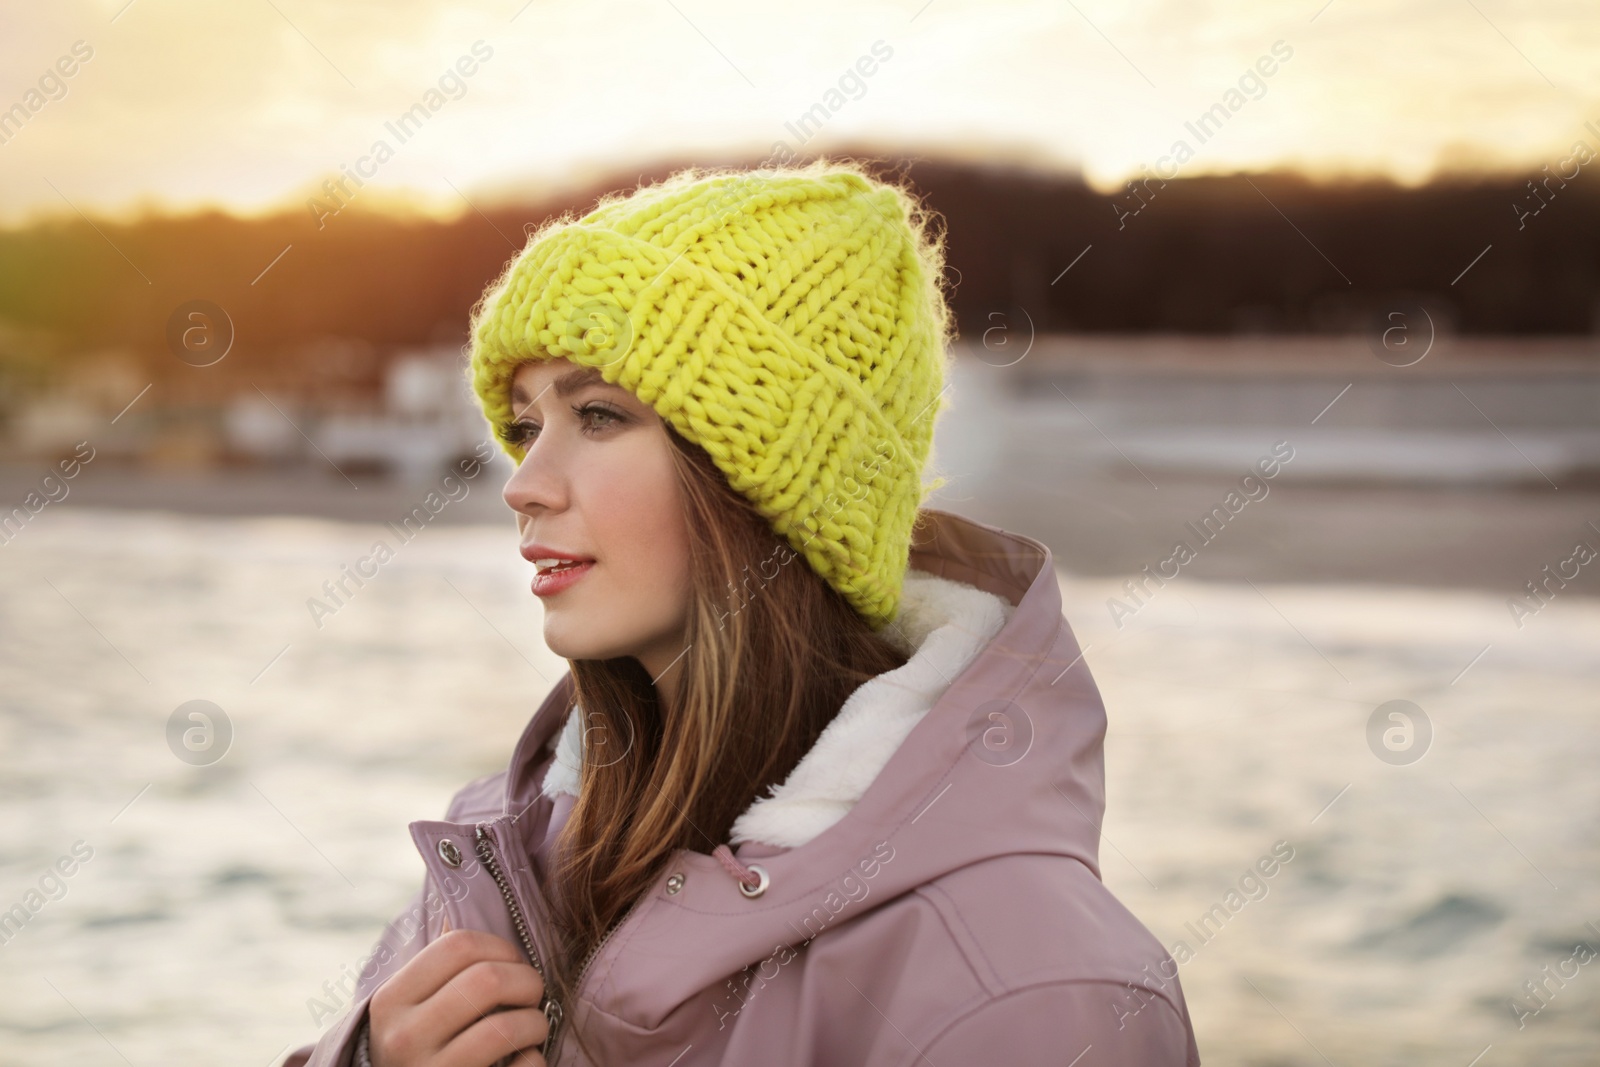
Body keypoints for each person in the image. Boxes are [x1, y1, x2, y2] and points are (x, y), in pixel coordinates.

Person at [285, 158, 1200, 1067]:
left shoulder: (1032, 993)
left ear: (766, 488)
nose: (522, 484)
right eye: (527, 425)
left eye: (598, 416)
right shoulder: (508, 853)